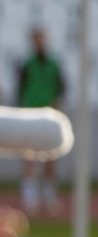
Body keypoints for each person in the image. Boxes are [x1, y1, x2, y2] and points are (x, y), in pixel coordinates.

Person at [17, 29, 65, 216]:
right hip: (30, 115)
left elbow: (61, 88)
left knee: (50, 157)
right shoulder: (27, 64)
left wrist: (57, 106)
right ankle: (30, 197)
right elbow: (20, 90)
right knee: (29, 156)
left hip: (49, 116)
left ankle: (50, 196)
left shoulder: (54, 64)